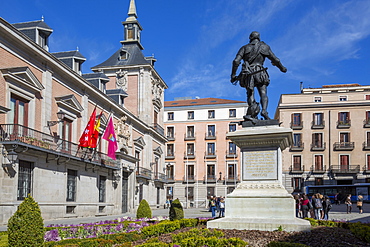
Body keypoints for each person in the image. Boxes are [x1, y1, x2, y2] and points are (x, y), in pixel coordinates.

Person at [231, 31, 287, 121]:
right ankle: (264, 111)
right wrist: (282, 68)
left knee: (250, 93)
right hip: (260, 71)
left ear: (250, 37)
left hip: (248, 72)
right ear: (259, 38)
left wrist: (233, 75)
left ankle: (252, 113)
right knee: (263, 93)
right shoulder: (265, 47)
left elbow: (236, 61)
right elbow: (275, 59)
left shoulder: (244, 48)